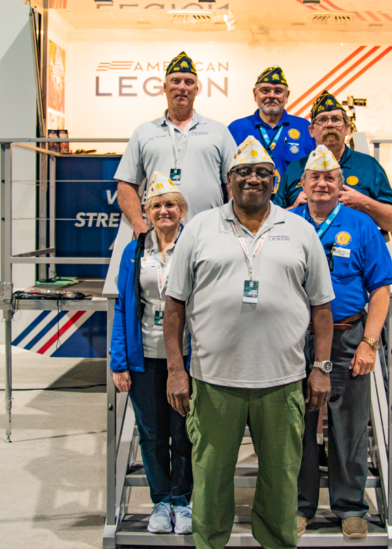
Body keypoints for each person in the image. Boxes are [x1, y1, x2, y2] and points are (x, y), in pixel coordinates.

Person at [162, 137, 336, 549]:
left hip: (282, 382)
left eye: (261, 173)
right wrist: (175, 370)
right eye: (243, 172)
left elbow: (322, 310)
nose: (252, 179)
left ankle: (276, 542)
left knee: (280, 480)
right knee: (210, 480)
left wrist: (321, 368)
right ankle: (209, 543)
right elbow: (174, 307)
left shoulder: (300, 230)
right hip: (214, 380)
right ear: (229, 181)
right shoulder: (200, 228)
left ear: (275, 181)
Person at [291, 146, 392, 540]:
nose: (321, 184)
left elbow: (381, 288)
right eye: (314, 177)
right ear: (302, 184)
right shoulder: (286, 223)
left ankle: (350, 506)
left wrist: (369, 342)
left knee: (349, 425)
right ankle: (299, 505)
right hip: (293, 340)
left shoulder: (362, 225)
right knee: (294, 425)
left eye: (329, 177)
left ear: (341, 184)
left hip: (348, 337)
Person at [109, 172, 193, 534]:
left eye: (170, 204)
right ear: (146, 210)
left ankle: (183, 501)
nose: (163, 210)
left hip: (187, 358)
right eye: (156, 205)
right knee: (152, 434)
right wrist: (119, 361)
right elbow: (123, 307)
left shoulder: (194, 245)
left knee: (185, 432)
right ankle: (160, 502)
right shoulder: (133, 251)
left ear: (182, 209)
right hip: (145, 358)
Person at [115, 51, 238, 235]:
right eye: (176, 81)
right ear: (164, 87)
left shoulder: (218, 131)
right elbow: (126, 185)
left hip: (211, 232)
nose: (182, 87)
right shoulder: (144, 132)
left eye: (189, 82)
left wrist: (233, 223)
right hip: (160, 235)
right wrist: (139, 226)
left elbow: (234, 183)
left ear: (196, 89)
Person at [275, 91, 392, 232]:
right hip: (303, 250)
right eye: (322, 120)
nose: (330, 124)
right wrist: (293, 209)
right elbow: (272, 221)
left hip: (355, 250)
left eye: (336, 119)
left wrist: (363, 202)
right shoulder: (295, 169)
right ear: (311, 131)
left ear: (347, 128)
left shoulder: (369, 167)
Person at [227, 65, 315, 186]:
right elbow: (227, 174)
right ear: (254, 94)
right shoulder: (236, 129)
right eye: (265, 90)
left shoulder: (305, 128)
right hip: (250, 202)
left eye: (278, 91)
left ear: (287, 95)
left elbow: (316, 171)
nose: (272, 95)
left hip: (294, 203)